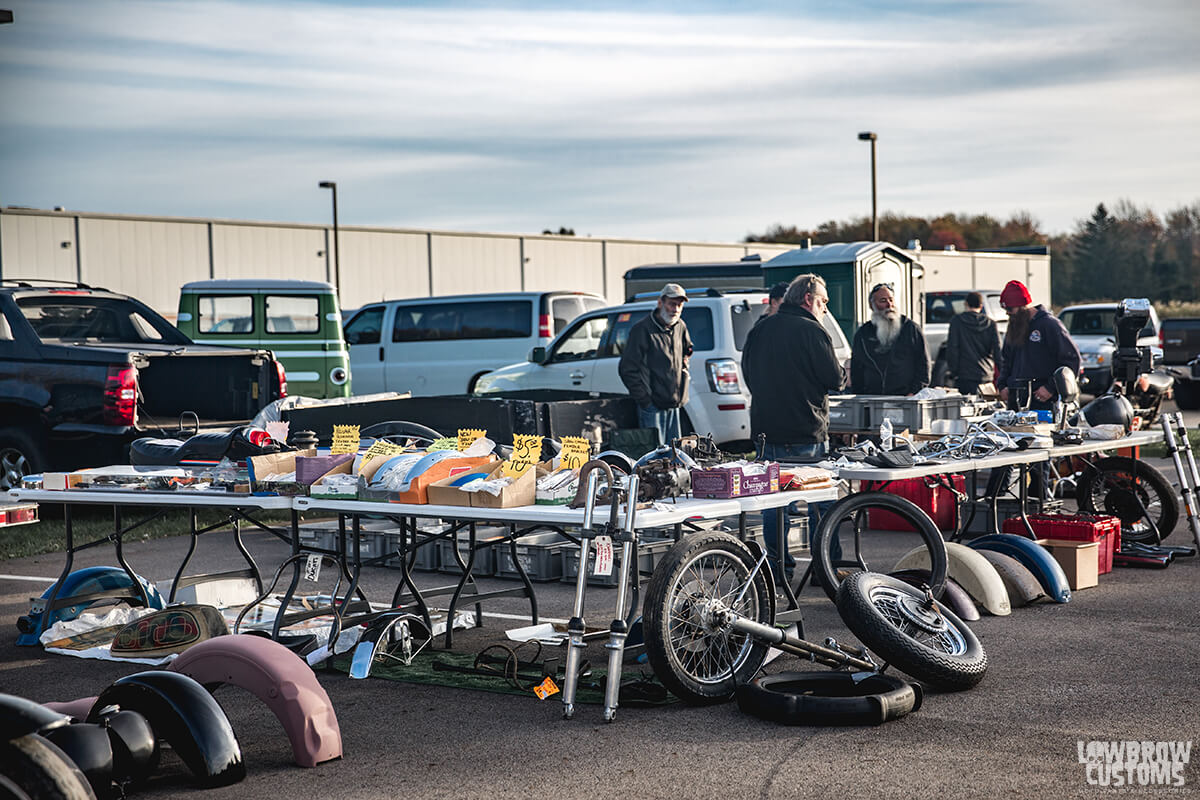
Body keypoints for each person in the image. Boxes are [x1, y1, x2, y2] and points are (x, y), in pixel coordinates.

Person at [742, 273, 844, 589]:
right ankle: (827, 569)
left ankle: (778, 571)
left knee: (775, 507)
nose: (826, 308)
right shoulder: (813, 331)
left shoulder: (760, 330)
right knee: (823, 502)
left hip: (766, 434)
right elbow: (834, 379)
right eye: (824, 301)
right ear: (808, 299)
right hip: (806, 432)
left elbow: (748, 374)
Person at [618, 283, 693, 445]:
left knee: (675, 456)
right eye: (672, 303)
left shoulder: (680, 326)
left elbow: (687, 351)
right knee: (655, 459)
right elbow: (627, 368)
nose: (676, 309)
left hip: (674, 404)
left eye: (680, 304)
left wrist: (683, 383)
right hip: (652, 407)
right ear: (660, 303)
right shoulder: (642, 330)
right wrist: (645, 400)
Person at [996, 280, 1080, 411]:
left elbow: (1071, 360)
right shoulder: (1014, 327)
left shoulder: (1049, 325)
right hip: (1016, 398)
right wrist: (1002, 385)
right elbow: (1006, 360)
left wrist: (1051, 388)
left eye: (1009, 308)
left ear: (1022, 305)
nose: (1007, 313)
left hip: (1042, 399)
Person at [850, 283, 930, 395]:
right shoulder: (863, 334)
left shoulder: (911, 329)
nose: (889, 305)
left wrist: (914, 392)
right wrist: (859, 398)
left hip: (905, 399)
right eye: (883, 300)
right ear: (872, 305)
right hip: (872, 400)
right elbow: (857, 370)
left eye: (891, 300)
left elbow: (923, 365)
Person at [945, 291, 1002, 395]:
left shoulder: (957, 322)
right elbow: (998, 351)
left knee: (966, 408)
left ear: (966, 304)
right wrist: (1003, 376)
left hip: (964, 376)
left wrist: (953, 372)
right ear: (981, 306)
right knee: (986, 409)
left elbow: (952, 348)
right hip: (986, 375)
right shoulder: (990, 324)